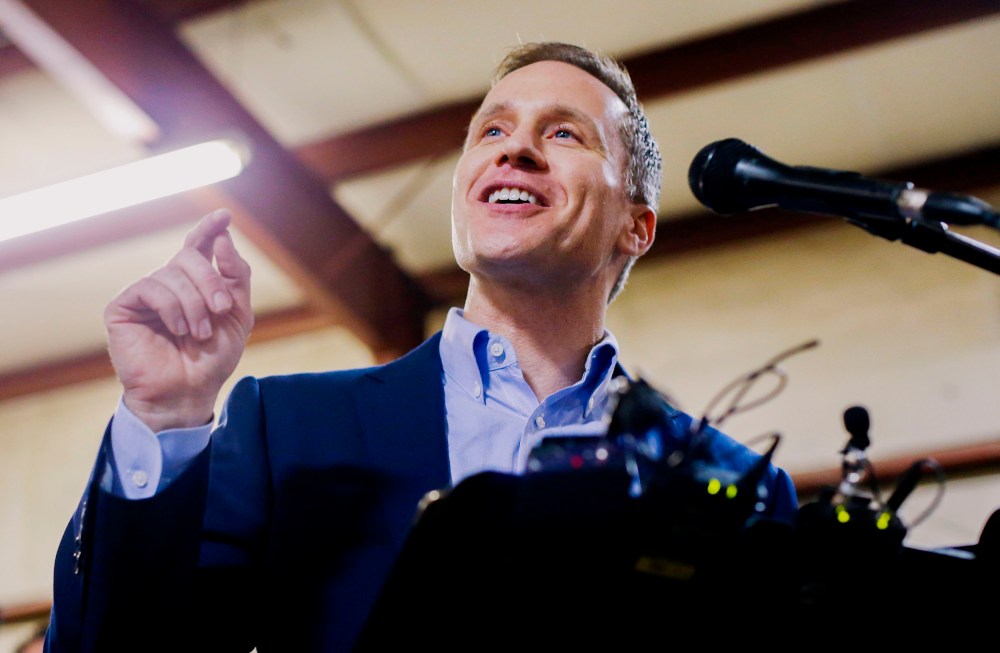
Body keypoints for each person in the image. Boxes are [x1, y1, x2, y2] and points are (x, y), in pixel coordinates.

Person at [45, 42, 798, 652]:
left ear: (636, 226)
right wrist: (163, 416)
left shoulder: (739, 484)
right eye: (491, 131)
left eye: (564, 133)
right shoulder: (289, 428)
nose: (515, 149)